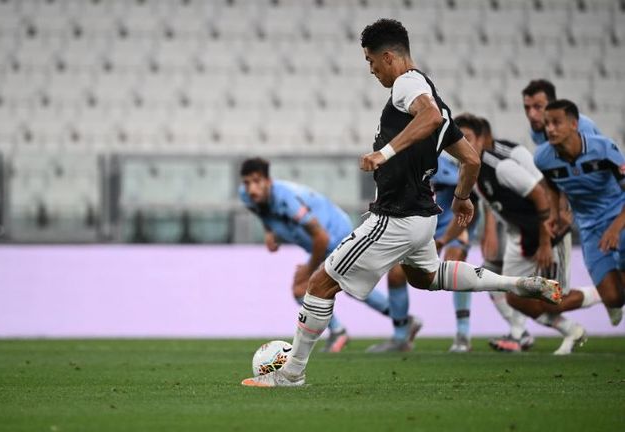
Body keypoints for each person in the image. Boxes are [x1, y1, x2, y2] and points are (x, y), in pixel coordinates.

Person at [241, 19, 561, 388]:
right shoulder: (436, 98)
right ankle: (514, 284)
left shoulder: (407, 86)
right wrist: (461, 198)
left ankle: (291, 374)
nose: (371, 69)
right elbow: (470, 159)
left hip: (394, 216)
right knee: (426, 277)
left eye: (371, 61)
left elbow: (430, 116)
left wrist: (385, 153)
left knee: (319, 284)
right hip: (423, 218)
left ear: (389, 57)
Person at [442, 113, 602, 354]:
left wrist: (546, 243)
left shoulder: (501, 165)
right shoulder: (469, 171)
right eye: (458, 139)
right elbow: (468, 212)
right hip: (521, 236)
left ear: (481, 140)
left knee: (553, 298)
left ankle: (606, 293)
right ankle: (561, 331)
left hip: (547, 233)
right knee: (512, 292)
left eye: (468, 138)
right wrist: (442, 240)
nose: (463, 144)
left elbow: (540, 194)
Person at [239, 157, 392, 352]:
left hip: (336, 233)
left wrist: (308, 269)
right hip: (319, 240)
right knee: (348, 287)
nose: (251, 188)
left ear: (268, 181)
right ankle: (402, 321)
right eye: (247, 182)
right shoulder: (246, 195)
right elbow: (261, 211)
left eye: (257, 181)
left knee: (304, 287)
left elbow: (322, 237)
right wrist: (269, 231)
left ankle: (340, 331)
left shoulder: (287, 200)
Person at [375, 154, 479, 353]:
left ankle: (463, 334)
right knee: (395, 274)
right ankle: (401, 336)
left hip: (451, 225)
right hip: (420, 228)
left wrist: (453, 234)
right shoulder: (399, 163)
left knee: (454, 262)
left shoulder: (439, 162)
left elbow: (468, 194)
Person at [534, 99, 625, 328]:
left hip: (619, 217)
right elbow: (551, 183)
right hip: (589, 227)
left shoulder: (604, 148)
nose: (550, 129)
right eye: (547, 124)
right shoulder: (542, 157)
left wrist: (615, 228)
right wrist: (555, 214)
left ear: (574, 124)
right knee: (614, 298)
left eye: (557, 123)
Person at [522, 79, 600, 146]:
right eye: (527, 107)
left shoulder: (582, 127)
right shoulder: (536, 132)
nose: (531, 115)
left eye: (538, 107)